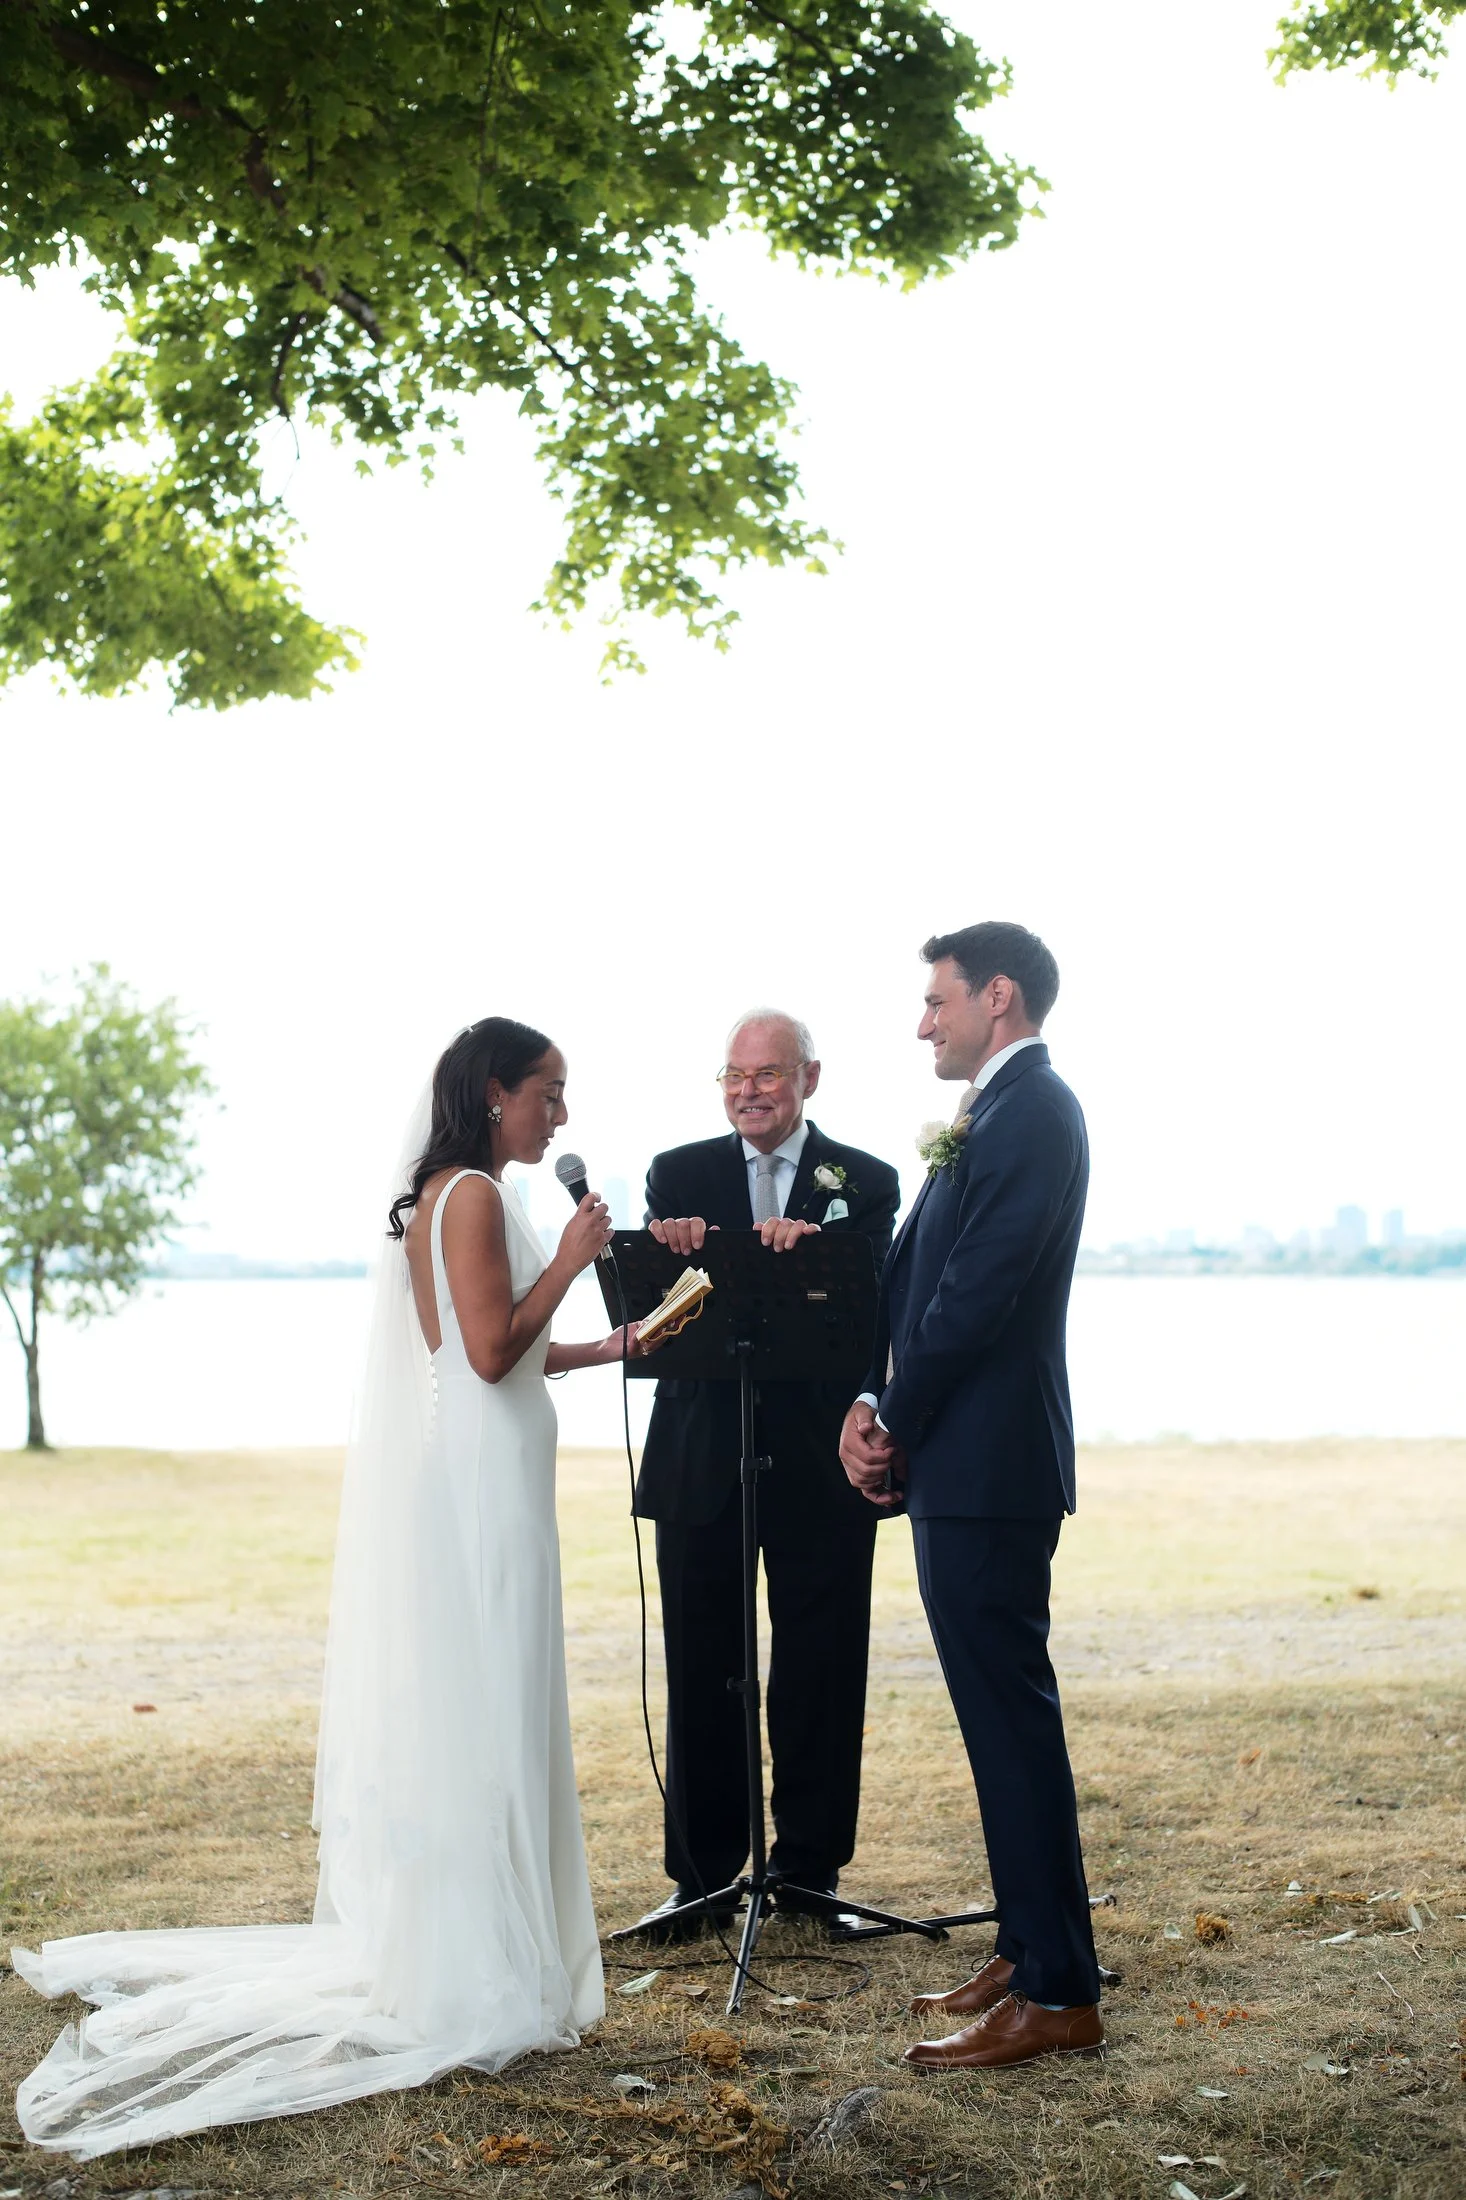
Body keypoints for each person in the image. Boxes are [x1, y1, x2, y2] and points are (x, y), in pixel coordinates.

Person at [15, 1018, 644, 2157]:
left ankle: (498, 1944)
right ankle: (485, 1960)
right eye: (548, 1092)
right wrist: (576, 1257)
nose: (560, 1114)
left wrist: (610, 1345)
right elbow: (490, 1351)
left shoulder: (446, 1197)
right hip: (486, 1486)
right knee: (493, 1703)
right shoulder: (471, 1197)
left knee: (490, 1698)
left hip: (486, 1469)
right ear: (493, 1091)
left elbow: (472, 1351)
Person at [839, 925, 1103, 2069]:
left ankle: (1055, 1991)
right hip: (963, 1463)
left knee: (1010, 1721)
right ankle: (1023, 1938)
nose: (921, 1022)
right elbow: (914, 1289)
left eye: (935, 1000)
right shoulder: (991, 1116)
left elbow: (979, 1297)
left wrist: (892, 1420)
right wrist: (868, 1393)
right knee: (994, 1720)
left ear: (996, 996)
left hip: (988, 1467)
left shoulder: (1034, 1112)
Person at [629, 1010, 901, 1941]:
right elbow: (659, 1318)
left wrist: (816, 1255)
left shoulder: (863, 1182)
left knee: (822, 1663)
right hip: (702, 1453)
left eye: (768, 1074)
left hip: (820, 1460)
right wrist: (673, 1248)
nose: (749, 1090)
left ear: (809, 1079)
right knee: (704, 1663)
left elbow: (876, 1318)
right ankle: (701, 1880)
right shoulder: (677, 1173)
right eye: (734, 1075)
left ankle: (811, 1873)